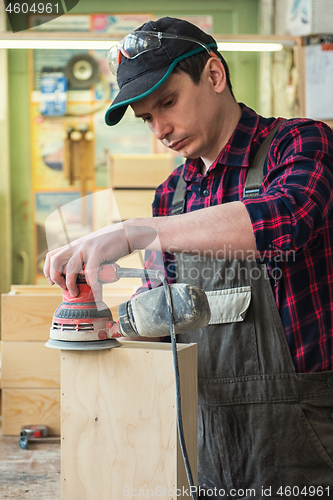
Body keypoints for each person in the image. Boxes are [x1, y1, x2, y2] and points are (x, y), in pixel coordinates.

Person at [44, 17, 333, 499]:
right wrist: (109, 321)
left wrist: (134, 232)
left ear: (214, 76)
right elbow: (165, 307)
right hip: (208, 441)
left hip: (304, 439)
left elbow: (286, 220)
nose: (160, 129)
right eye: (146, 118)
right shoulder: (171, 196)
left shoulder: (300, 143)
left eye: (168, 103)